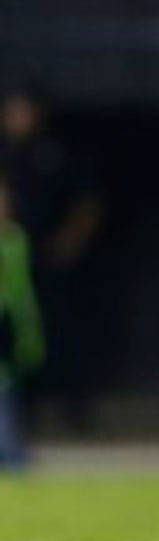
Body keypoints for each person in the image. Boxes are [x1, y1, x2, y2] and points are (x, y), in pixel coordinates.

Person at [0, 85, 101, 431]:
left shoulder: (55, 152)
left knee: (60, 332)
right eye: (11, 111)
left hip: (50, 258)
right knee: (12, 338)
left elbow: (87, 200)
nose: (17, 118)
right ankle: (18, 416)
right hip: (11, 260)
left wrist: (70, 240)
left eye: (23, 110)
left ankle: (75, 409)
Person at [0, 173, 43, 468]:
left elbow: (21, 291)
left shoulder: (16, 240)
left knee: (6, 389)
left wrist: (28, 330)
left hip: (7, 325)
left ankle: (11, 451)